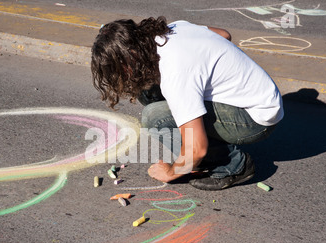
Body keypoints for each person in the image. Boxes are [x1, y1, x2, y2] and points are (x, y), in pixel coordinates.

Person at [91, 17, 283, 191]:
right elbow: (224, 34)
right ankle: (210, 135)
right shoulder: (173, 29)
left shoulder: (175, 73)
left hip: (256, 119)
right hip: (263, 97)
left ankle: (231, 165)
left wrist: (170, 172)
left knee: (154, 117)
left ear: (128, 58)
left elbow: (196, 148)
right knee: (148, 91)